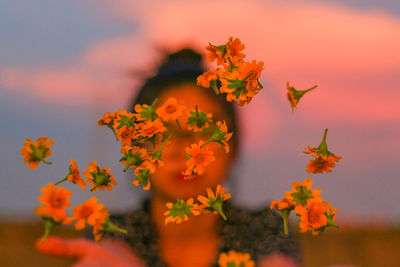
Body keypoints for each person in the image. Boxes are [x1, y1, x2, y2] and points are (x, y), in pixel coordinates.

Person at [37, 48, 300, 267]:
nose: (183, 151)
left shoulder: (265, 229)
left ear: (232, 145)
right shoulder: (112, 234)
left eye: (203, 131)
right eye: (161, 133)